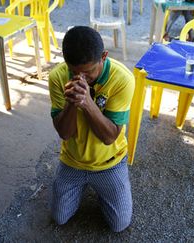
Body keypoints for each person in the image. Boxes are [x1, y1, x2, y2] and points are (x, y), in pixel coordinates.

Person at [48, 26, 135, 232]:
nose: (81, 78)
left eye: (88, 72)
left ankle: (108, 187)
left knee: (119, 225)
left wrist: (87, 102)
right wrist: (71, 103)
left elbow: (110, 136)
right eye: (74, 71)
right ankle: (83, 186)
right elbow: (65, 133)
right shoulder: (57, 77)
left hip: (109, 162)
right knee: (59, 217)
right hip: (73, 160)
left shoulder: (122, 79)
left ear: (103, 57)